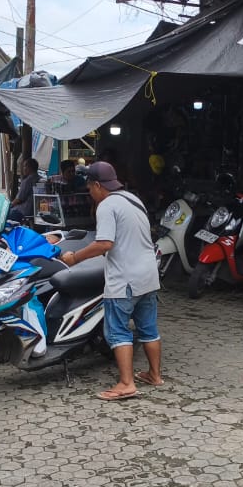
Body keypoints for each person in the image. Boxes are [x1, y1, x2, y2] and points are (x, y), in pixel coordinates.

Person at [58, 161, 162, 401]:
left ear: (97, 185)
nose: (89, 193)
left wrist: (74, 258)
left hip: (125, 279)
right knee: (148, 328)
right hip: (148, 275)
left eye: (89, 188)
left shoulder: (107, 205)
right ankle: (155, 375)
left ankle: (126, 383)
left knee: (117, 331)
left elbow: (104, 243)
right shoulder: (133, 199)